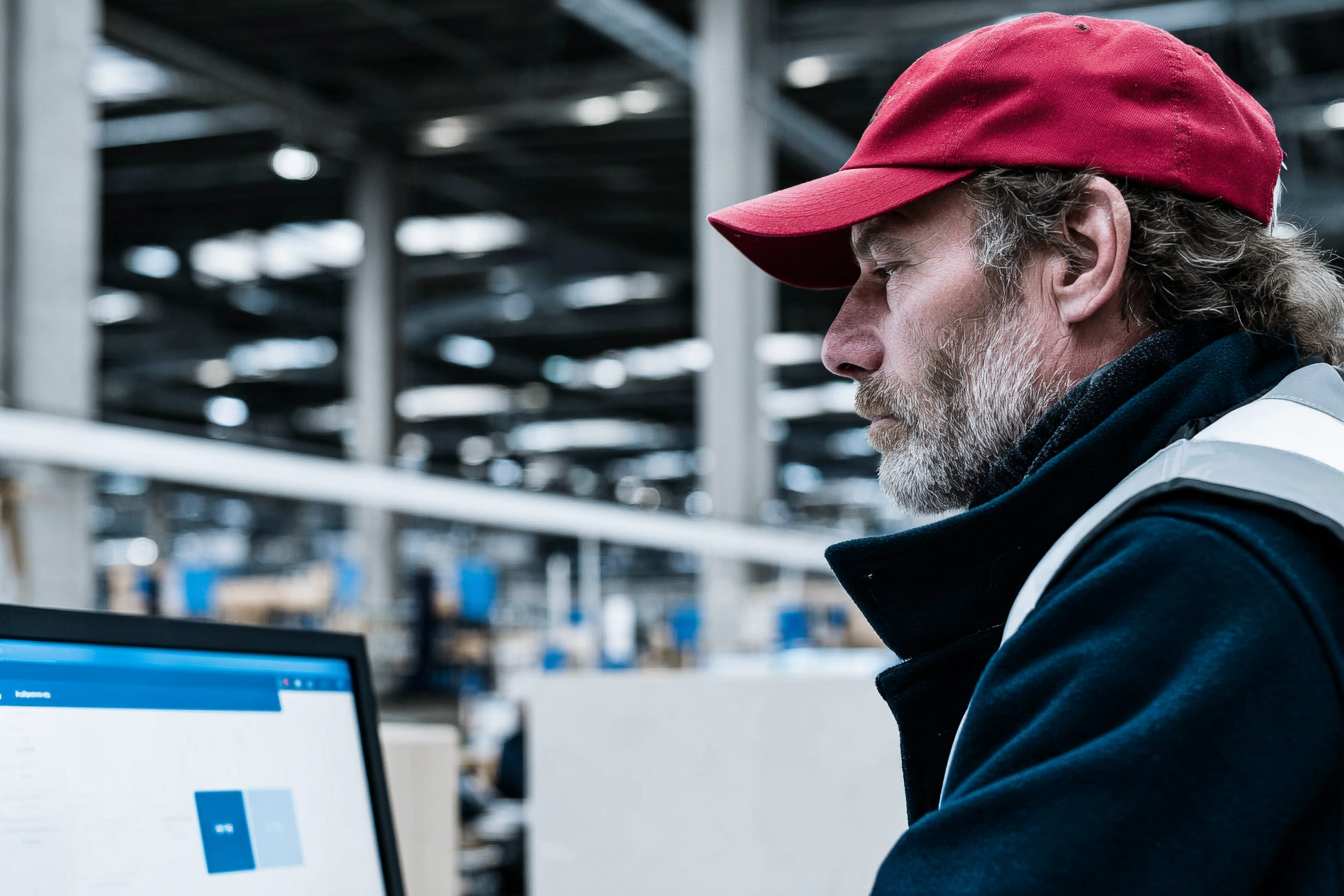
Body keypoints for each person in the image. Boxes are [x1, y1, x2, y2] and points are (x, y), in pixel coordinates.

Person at [709, 13, 1344, 895]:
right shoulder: (1284, 476)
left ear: (1080, 254)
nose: (842, 346)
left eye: (888, 270)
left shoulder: (1199, 571)